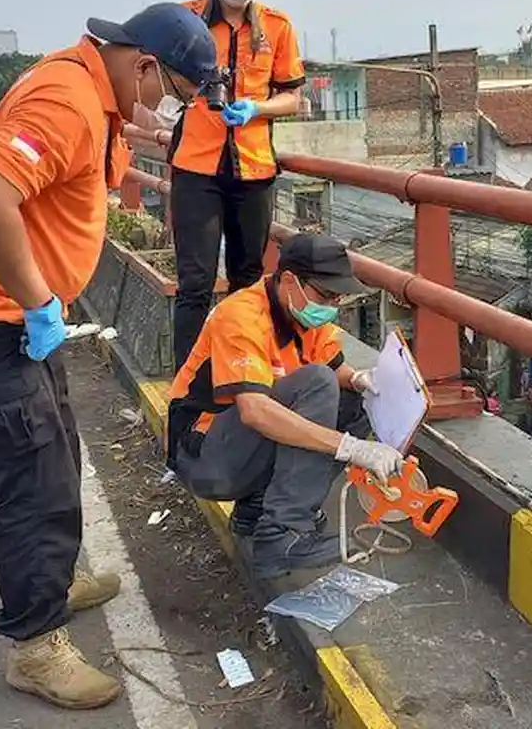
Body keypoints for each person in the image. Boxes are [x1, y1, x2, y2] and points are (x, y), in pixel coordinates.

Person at [0, 4, 218, 710]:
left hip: (11, 316)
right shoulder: (68, 100)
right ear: (142, 65)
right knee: (34, 478)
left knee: (61, 447)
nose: (167, 107)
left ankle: (53, 575)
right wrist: (36, 301)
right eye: (172, 90)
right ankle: (35, 644)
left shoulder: (96, 91)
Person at [166, 234, 404, 578]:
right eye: (326, 295)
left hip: (237, 448)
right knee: (317, 384)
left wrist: (359, 381)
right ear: (290, 280)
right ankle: (281, 536)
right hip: (203, 455)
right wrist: (350, 448)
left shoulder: (304, 315)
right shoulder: (241, 315)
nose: (334, 305)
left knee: (356, 404)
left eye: (339, 297)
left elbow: (335, 368)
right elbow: (255, 410)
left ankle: (258, 511)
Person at [168, 0, 307, 370]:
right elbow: (159, 81)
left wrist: (256, 108)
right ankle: (188, 387)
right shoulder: (186, 20)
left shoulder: (278, 27)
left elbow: (293, 96)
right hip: (196, 170)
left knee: (248, 282)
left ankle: (244, 374)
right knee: (195, 283)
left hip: (253, 172)